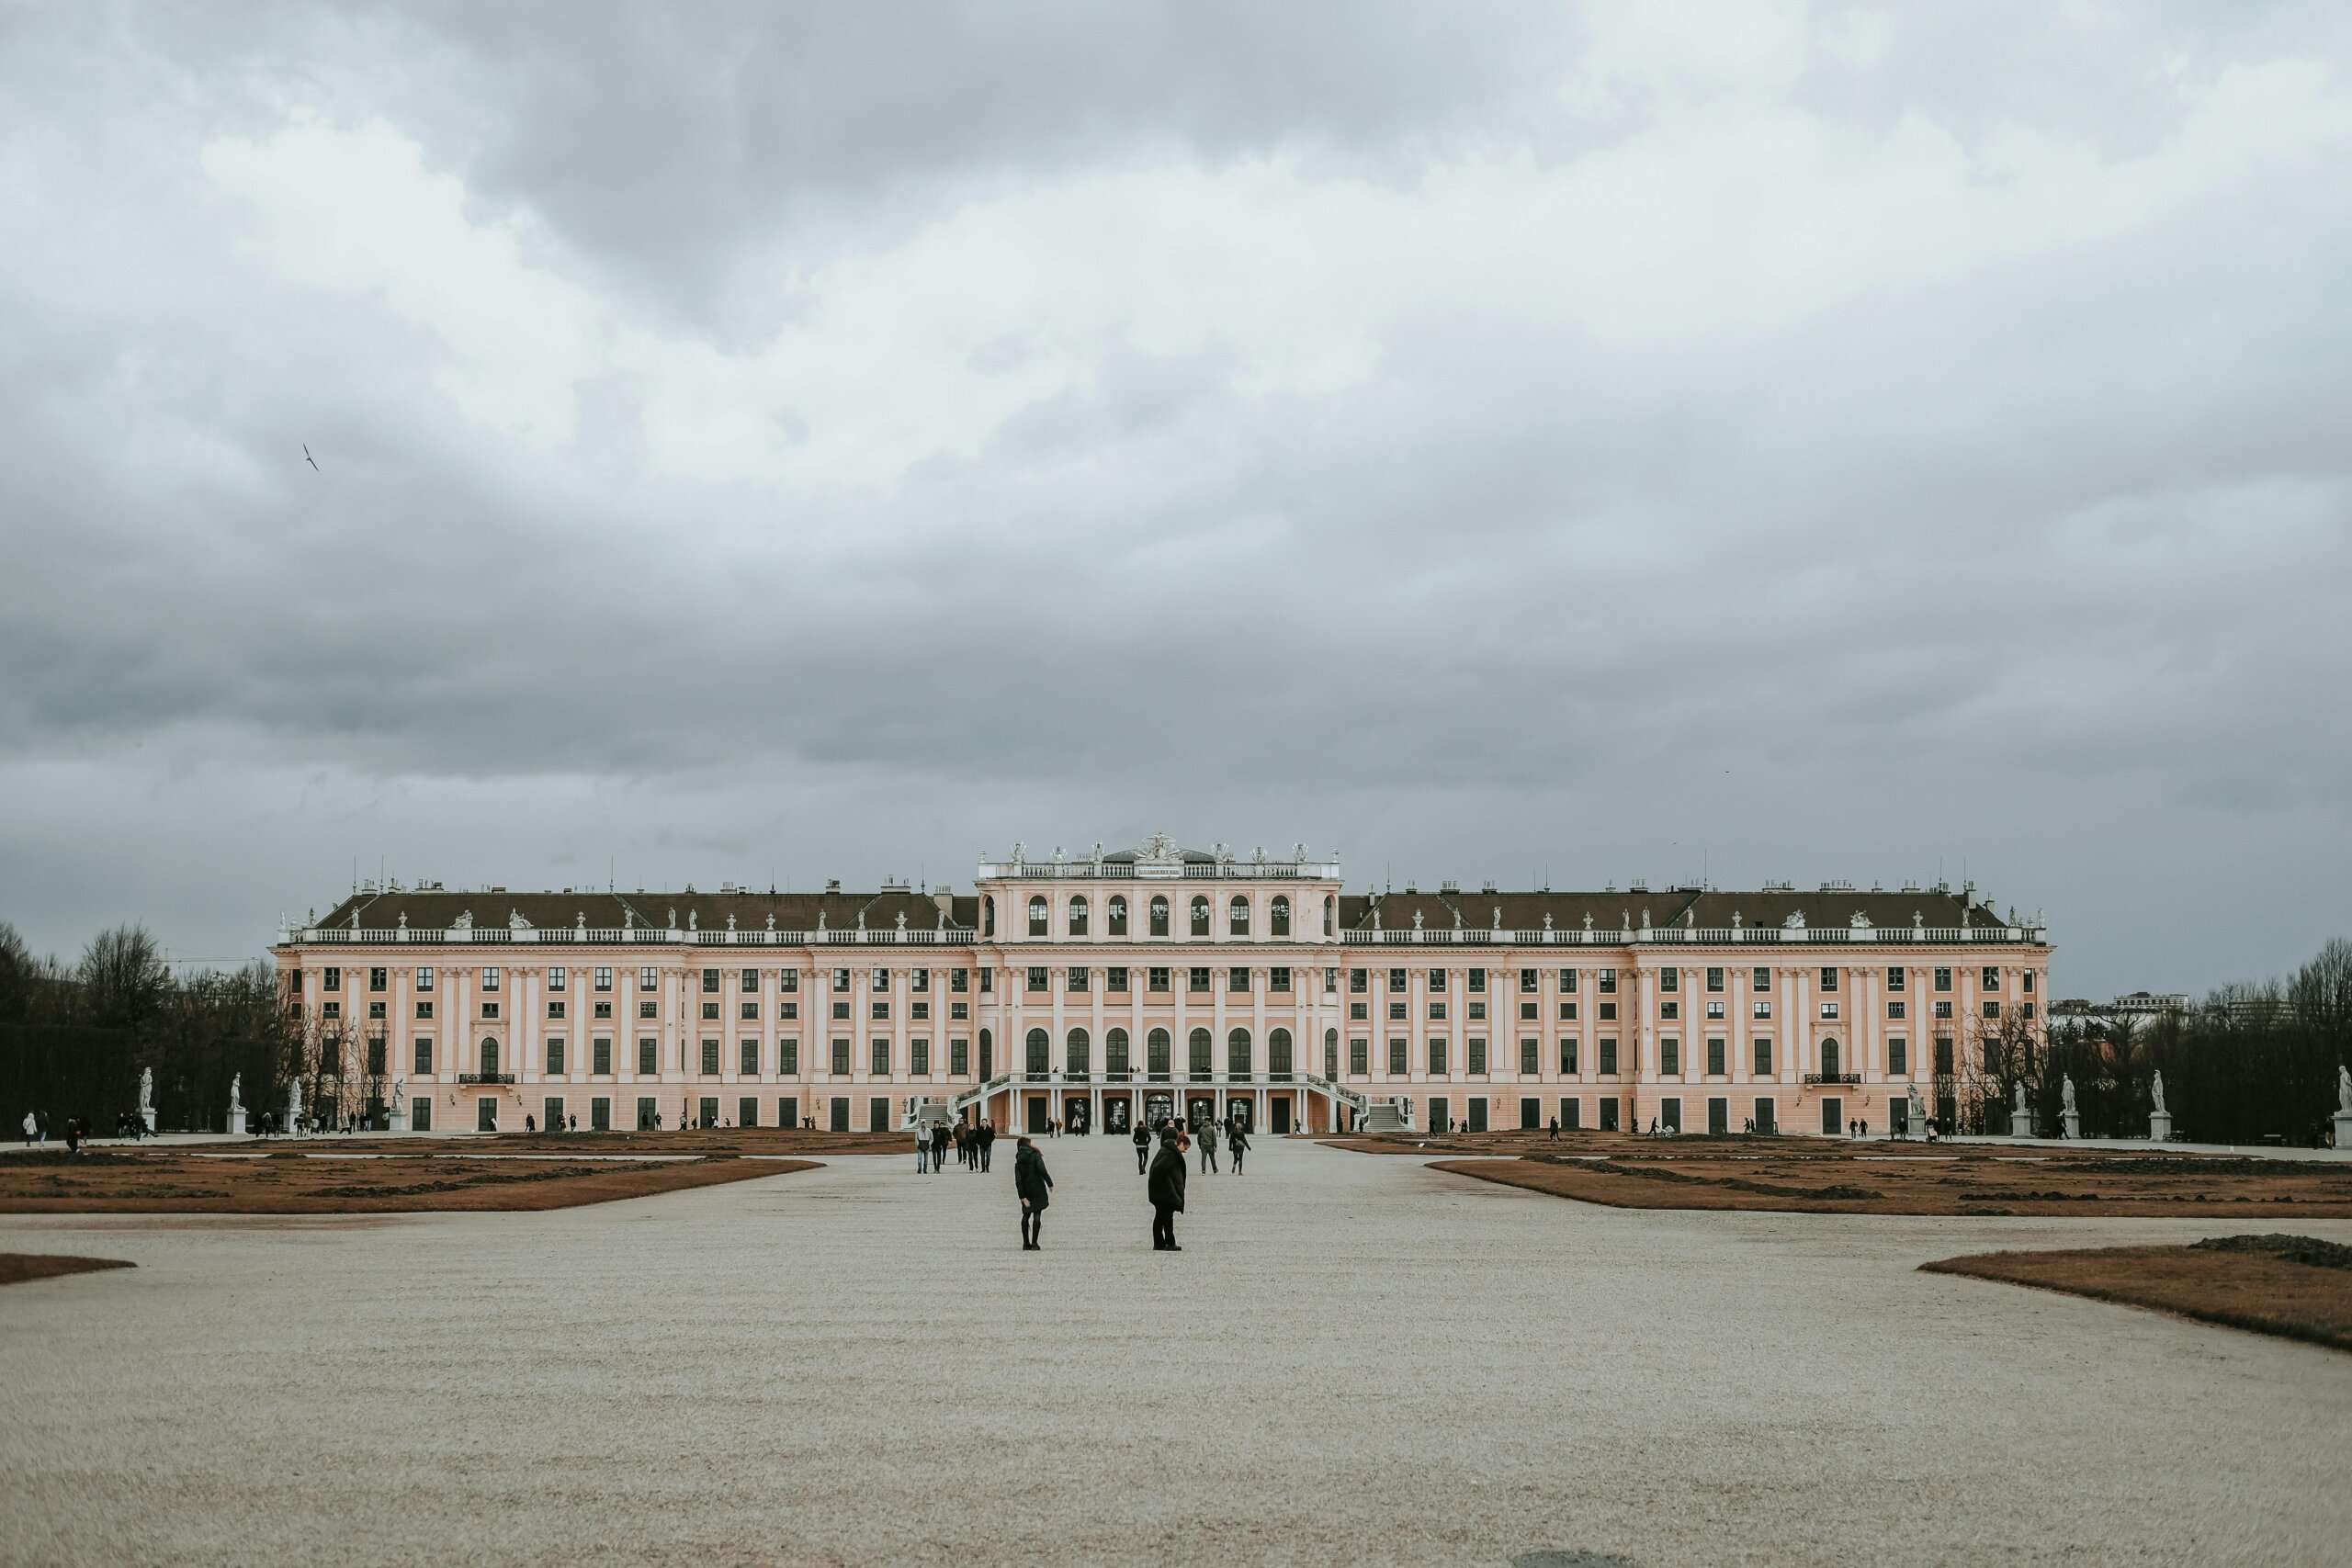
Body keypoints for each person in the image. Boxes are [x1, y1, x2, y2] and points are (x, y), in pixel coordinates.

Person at [1148, 1129, 1187, 1250]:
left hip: (1158, 1191)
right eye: (1185, 1148)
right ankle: (1170, 1243)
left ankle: (1159, 1243)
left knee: (1160, 1217)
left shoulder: (1165, 1150)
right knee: (1167, 1218)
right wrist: (1168, 1186)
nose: (1185, 1151)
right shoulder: (1171, 1154)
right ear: (1177, 1141)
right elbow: (1159, 1170)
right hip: (1165, 1193)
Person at [1012, 1134, 1052, 1250]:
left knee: (1026, 1215)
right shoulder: (1035, 1155)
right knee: (1037, 1214)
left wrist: (1022, 1196)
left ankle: (1026, 1243)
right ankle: (1034, 1243)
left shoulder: (1018, 1161)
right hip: (1038, 1188)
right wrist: (1050, 1183)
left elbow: (1018, 1181)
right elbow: (1042, 1170)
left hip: (1026, 1190)